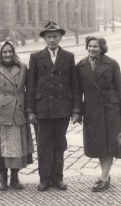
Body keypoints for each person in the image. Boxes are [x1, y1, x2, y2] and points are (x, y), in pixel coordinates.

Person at [25, 21, 81, 191]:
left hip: (62, 109)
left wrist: (76, 109)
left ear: (60, 38)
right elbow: (31, 85)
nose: (52, 40)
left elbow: (74, 85)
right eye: (49, 37)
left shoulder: (69, 57)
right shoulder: (36, 57)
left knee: (59, 144)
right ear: (44, 39)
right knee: (43, 145)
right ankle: (44, 178)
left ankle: (57, 178)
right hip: (42, 109)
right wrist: (30, 110)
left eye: (55, 36)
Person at [76, 36, 121, 192]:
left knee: (109, 143)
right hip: (92, 110)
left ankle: (104, 177)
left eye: (95, 46)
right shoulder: (81, 65)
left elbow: (120, 87)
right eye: (90, 46)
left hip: (111, 110)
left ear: (102, 48)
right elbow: (77, 91)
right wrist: (78, 111)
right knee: (100, 144)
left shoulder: (111, 63)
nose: (92, 49)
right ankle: (105, 175)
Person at [0, 40, 34, 191]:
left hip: (17, 114)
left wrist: (29, 110)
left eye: (10, 51)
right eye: (4, 52)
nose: (8, 54)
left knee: (16, 148)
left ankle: (15, 177)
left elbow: (29, 90)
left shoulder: (22, 67)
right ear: (0, 53)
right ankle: (3, 177)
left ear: (14, 52)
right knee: (2, 149)